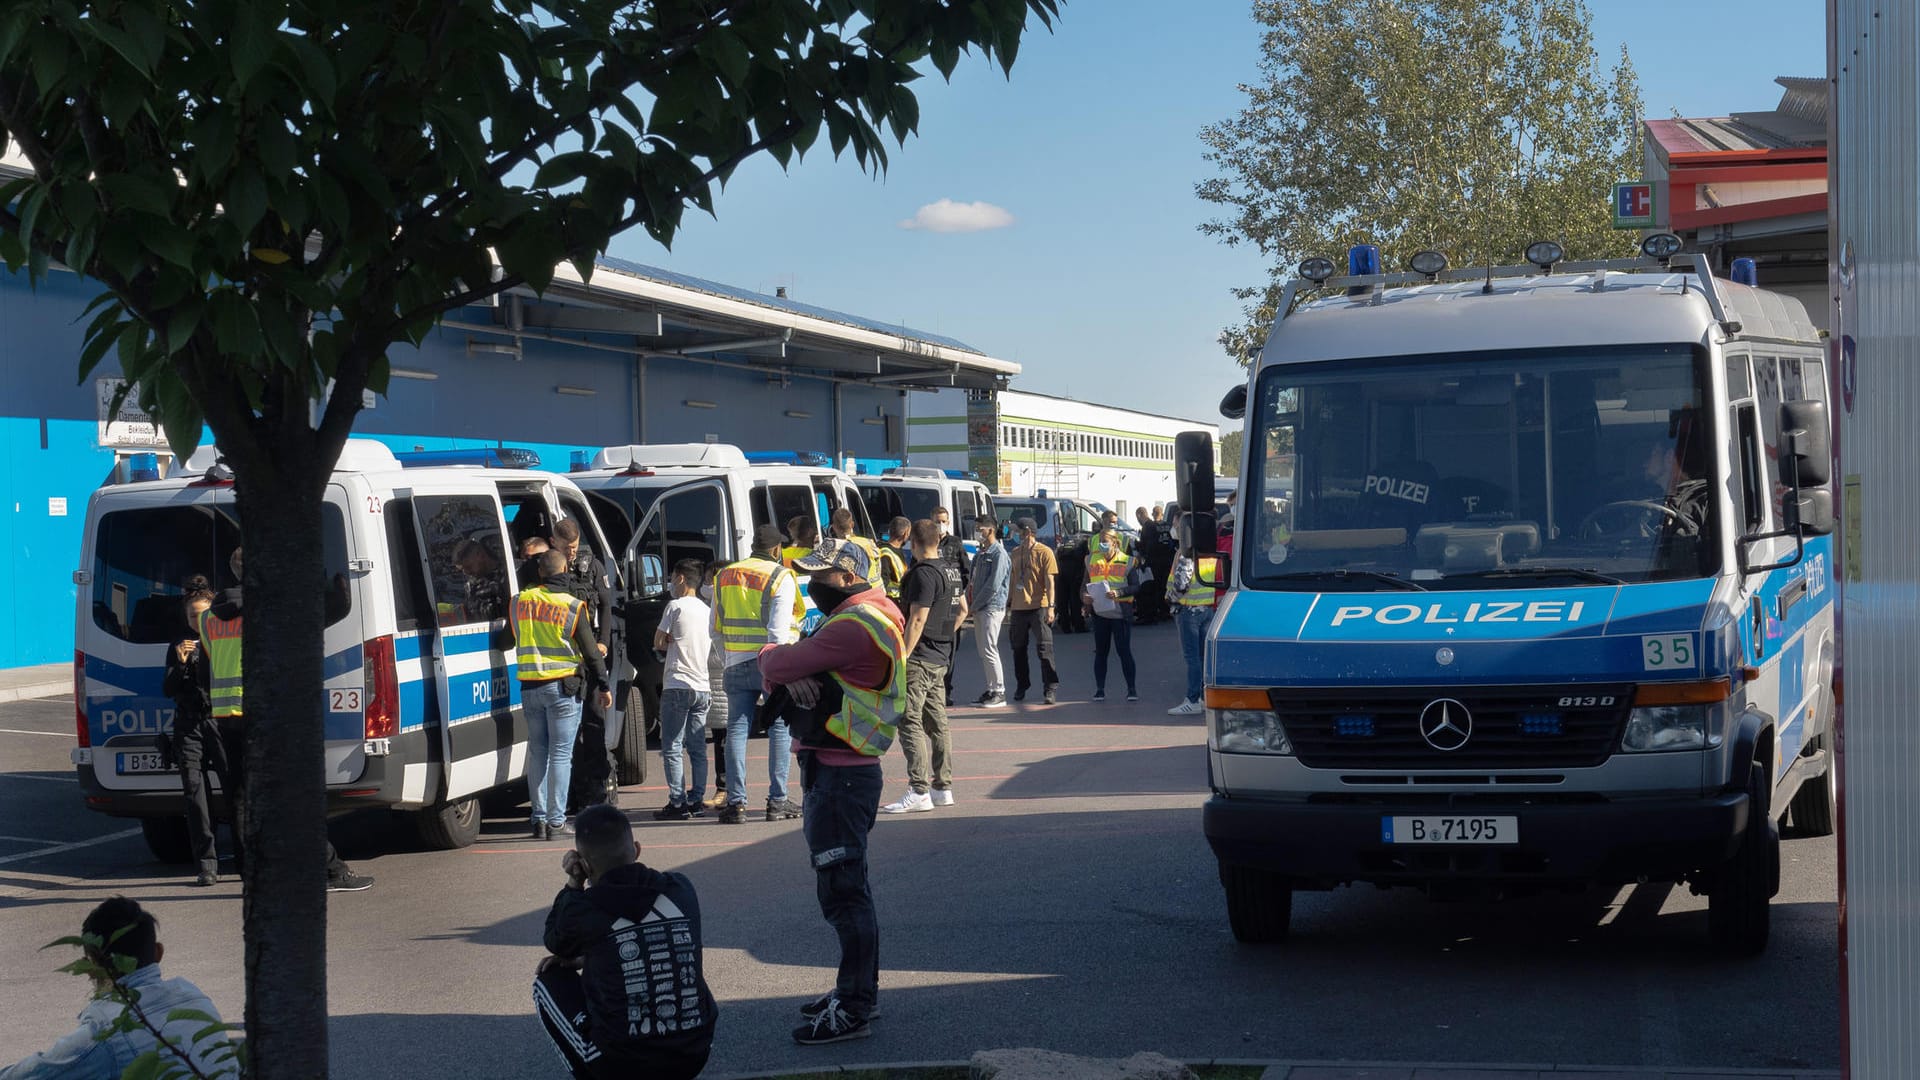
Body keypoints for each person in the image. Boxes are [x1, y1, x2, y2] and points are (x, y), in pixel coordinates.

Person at [759, 537, 906, 1044]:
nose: (812, 584)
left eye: (819, 576)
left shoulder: (852, 625)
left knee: (844, 896)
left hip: (839, 775)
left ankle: (855, 1007)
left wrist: (789, 662)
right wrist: (804, 667)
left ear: (845, 578)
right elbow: (795, 666)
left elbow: (777, 665)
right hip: (845, 769)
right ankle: (856, 991)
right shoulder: (874, 613)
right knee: (851, 890)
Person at [198, 549, 373, 891]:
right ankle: (330, 870)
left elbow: (206, 676)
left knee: (241, 800)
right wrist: (337, 593)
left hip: (227, 720)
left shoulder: (209, 619)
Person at [535, 805, 717, 1080]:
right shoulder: (680, 888)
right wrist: (587, 960)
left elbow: (555, 941)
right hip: (694, 1052)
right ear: (636, 850)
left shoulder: (586, 908)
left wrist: (574, 883)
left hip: (622, 1066)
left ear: (584, 865)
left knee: (548, 981)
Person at [3, 898, 229, 1079]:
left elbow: (32, 1074)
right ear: (158, 953)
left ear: (91, 965)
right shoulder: (194, 996)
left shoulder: (104, 1034)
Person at [512, 550, 612, 840]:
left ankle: (538, 819)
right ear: (565, 569)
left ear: (540, 573)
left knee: (538, 753)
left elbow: (506, 638)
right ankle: (556, 822)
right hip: (563, 689)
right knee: (560, 754)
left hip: (530, 687)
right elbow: (592, 652)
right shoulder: (571, 606)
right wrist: (604, 685)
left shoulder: (520, 602)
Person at [711, 524, 801, 824]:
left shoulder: (724, 575)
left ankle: (735, 803)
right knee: (778, 727)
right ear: (777, 550)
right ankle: (777, 800)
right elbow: (777, 631)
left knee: (736, 728)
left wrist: (729, 658)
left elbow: (715, 627)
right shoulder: (780, 576)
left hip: (735, 661)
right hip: (769, 662)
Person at [882, 520, 965, 814]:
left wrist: (903, 655)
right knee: (937, 722)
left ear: (913, 542)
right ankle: (943, 787)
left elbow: (917, 619)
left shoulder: (923, 574)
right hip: (941, 655)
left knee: (910, 720)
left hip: (919, 658)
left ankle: (919, 789)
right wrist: (944, 635)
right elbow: (963, 610)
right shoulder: (951, 569)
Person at [164, 581, 233, 887]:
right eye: (192, 616)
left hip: (219, 721)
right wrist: (179, 664)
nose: (197, 621)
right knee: (194, 792)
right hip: (188, 724)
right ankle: (207, 863)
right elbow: (168, 689)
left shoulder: (223, 637)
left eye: (202, 614)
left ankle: (249, 854)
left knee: (235, 787)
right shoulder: (179, 644)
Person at [554, 517, 619, 812]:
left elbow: (606, 604)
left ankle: (597, 794)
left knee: (593, 726)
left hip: (589, 655)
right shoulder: (546, 565)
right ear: (554, 541)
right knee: (566, 732)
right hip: (561, 660)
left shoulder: (590, 566)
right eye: (566, 547)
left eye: (574, 547)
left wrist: (603, 640)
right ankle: (569, 796)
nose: (571, 553)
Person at [653, 560, 712, 820]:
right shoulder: (706, 609)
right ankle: (697, 799)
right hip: (703, 687)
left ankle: (677, 802)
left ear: (679, 578)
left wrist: (666, 640)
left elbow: (658, 641)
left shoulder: (674, 607)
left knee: (673, 746)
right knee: (697, 747)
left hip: (677, 684)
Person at [1166, 514, 1219, 716]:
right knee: (1203, 657)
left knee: (1192, 658)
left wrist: (1170, 597)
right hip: (1206, 607)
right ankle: (1204, 698)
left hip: (1188, 609)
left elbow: (1181, 582)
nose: (1173, 528)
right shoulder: (1209, 551)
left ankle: (1192, 698)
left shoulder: (1186, 552)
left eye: (1176, 524)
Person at [1006, 517, 1060, 704]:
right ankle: (1022, 684)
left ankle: (1050, 687)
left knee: (1044, 649)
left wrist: (1051, 607)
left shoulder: (1044, 552)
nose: (1015, 534)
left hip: (1039, 606)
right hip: (1019, 607)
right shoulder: (1015, 552)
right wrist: (1009, 603)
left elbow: (1050, 582)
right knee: (1018, 649)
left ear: (1027, 532)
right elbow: (1013, 580)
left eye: (1018, 531)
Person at [1082, 527, 1140, 702]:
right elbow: (1084, 583)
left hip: (1121, 613)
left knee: (1124, 651)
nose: (1102, 545)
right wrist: (1084, 598)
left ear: (1115, 543)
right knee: (1101, 652)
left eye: (1105, 542)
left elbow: (1136, 586)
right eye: (1100, 541)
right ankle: (1100, 689)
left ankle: (1132, 689)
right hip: (1100, 613)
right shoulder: (1091, 560)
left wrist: (1119, 593)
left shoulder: (1128, 561)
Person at [928, 505, 971, 706]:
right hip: (930, 607)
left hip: (951, 608)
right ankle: (931, 691)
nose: (940, 524)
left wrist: (957, 591)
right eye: (937, 521)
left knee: (948, 650)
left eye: (943, 521)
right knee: (930, 649)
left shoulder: (955, 543)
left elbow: (965, 572)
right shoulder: (926, 541)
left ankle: (946, 690)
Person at [967, 517, 1011, 708]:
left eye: (980, 529)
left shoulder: (998, 554)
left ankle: (999, 691)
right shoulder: (980, 554)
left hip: (991, 607)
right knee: (983, 650)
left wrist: (975, 604)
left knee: (990, 649)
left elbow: (993, 585)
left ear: (990, 530)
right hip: (979, 607)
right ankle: (991, 688)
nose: (977, 532)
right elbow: (973, 581)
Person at [452, 535, 508, 623]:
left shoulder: (509, 575)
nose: (466, 572)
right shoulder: (471, 587)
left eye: (468, 567)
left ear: (480, 555)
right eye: (463, 569)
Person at [829, 508, 882, 586]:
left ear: (833, 527)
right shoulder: (869, 542)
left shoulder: (841, 549)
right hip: (879, 590)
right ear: (852, 524)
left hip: (862, 593)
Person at [874, 516, 910, 600]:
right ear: (906, 533)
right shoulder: (886, 553)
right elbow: (883, 582)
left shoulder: (897, 550)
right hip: (891, 601)